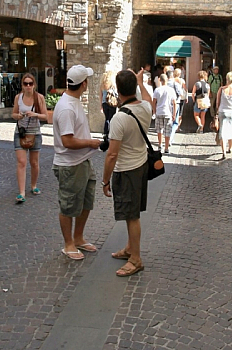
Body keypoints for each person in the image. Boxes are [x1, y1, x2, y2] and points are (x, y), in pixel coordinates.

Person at [102, 69, 152, 277]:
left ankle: (136, 259)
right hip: (141, 165)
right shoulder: (146, 107)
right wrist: (141, 83)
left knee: (131, 216)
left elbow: (112, 155)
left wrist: (105, 181)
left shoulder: (119, 119)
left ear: (118, 91)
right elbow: (149, 98)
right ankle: (130, 248)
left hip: (127, 169)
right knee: (133, 212)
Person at [52, 65, 102, 261]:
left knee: (86, 202)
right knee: (69, 205)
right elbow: (67, 141)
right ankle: (68, 244)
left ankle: (78, 237)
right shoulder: (66, 107)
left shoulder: (74, 101)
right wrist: (91, 142)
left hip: (83, 161)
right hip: (70, 164)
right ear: (84, 84)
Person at [12, 73, 47, 204]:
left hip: (35, 132)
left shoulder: (39, 98)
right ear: (22, 85)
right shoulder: (18, 98)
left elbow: (45, 117)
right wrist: (18, 116)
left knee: (34, 162)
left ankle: (33, 185)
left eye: (30, 84)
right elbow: (13, 114)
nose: (28, 86)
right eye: (25, 84)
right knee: (21, 162)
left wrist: (35, 114)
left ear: (34, 85)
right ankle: (21, 192)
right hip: (21, 133)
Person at [216, 72, 232, 159]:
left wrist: (217, 111)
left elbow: (217, 102)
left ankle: (224, 152)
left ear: (226, 79)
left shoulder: (221, 89)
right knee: (231, 130)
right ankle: (230, 148)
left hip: (222, 112)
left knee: (222, 131)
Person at [152, 73, 176, 155]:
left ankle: (159, 144)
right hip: (168, 112)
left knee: (159, 130)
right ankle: (166, 148)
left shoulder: (157, 90)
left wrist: (154, 111)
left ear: (160, 80)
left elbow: (154, 102)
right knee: (167, 130)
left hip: (159, 112)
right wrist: (174, 114)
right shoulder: (171, 90)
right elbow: (174, 103)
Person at [100, 70, 118, 138]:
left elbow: (100, 95)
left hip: (104, 103)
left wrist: (101, 105)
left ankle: (105, 132)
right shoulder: (113, 84)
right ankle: (110, 132)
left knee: (106, 118)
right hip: (112, 102)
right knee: (111, 118)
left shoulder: (102, 85)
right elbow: (116, 94)